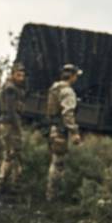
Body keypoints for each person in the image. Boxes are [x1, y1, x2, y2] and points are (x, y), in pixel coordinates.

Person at [45, 64, 83, 200]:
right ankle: (52, 195)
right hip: (61, 130)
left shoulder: (54, 88)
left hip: (53, 128)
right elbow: (67, 113)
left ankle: (52, 193)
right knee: (58, 163)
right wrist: (74, 132)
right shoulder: (68, 91)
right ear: (72, 76)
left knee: (54, 161)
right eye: (76, 76)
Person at [0, 64, 26, 193]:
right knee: (11, 154)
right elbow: (11, 109)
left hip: (9, 123)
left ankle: (8, 182)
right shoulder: (10, 89)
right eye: (18, 75)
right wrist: (17, 126)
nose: (21, 78)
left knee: (12, 154)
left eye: (23, 75)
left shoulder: (11, 87)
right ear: (12, 74)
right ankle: (4, 183)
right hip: (10, 124)